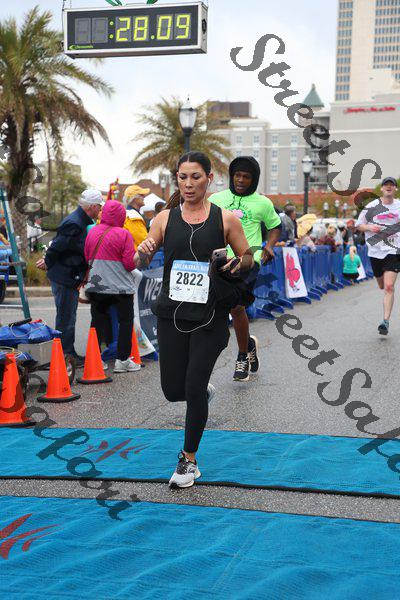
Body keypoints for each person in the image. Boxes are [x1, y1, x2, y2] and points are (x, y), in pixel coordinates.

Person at [135, 151, 252, 489]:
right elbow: (142, 258)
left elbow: (247, 256)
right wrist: (142, 252)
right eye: (182, 177)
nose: (188, 184)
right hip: (171, 313)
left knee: (193, 386)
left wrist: (238, 263)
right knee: (173, 390)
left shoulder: (225, 219)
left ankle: (188, 461)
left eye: (195, 177)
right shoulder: (163, 218)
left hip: (210, 315)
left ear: (209, 179)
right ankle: (200, 392)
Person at [209, 156, 281, 381]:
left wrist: (269, 246)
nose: (240, 180)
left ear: (254, 179)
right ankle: (248, 343)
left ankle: (242, 357)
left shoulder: (263, 203)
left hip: (248, 261)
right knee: (219, 309)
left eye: (246, 177)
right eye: (237, 175)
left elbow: (275, 226)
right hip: (220, 261)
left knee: (237, 307)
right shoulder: (216, 199)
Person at [36, 189, 103, 363]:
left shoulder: (80, 220)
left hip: (69, 275)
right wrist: (48, 262)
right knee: (66, 317)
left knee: (68, 316)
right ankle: (65, 355)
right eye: (99, 206)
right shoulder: (75, 222)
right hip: (64, 276)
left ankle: (67, 353)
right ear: (92, 206)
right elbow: (57, 246)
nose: (100, 210)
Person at [84, 200, 139, 373]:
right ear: (121, 216)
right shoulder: (124, 234)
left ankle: (96, 360)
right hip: (120, 287)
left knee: (97, 322)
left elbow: (86, 256)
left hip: (97, 285)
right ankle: (122, 361)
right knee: (125, 321)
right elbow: (129, 264)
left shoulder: (92, 232)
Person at [355, 176, 400, 335]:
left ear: (395, 189)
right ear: (381, 188)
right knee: (381, 285)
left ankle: (385, 321)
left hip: (393, 250)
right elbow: (358, 225)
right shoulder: (372, 206)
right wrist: (369, 227)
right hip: (375, 251)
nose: (389, 187)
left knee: (389, 287)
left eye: (391, 185)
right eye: (386, 185)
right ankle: (381, 282)